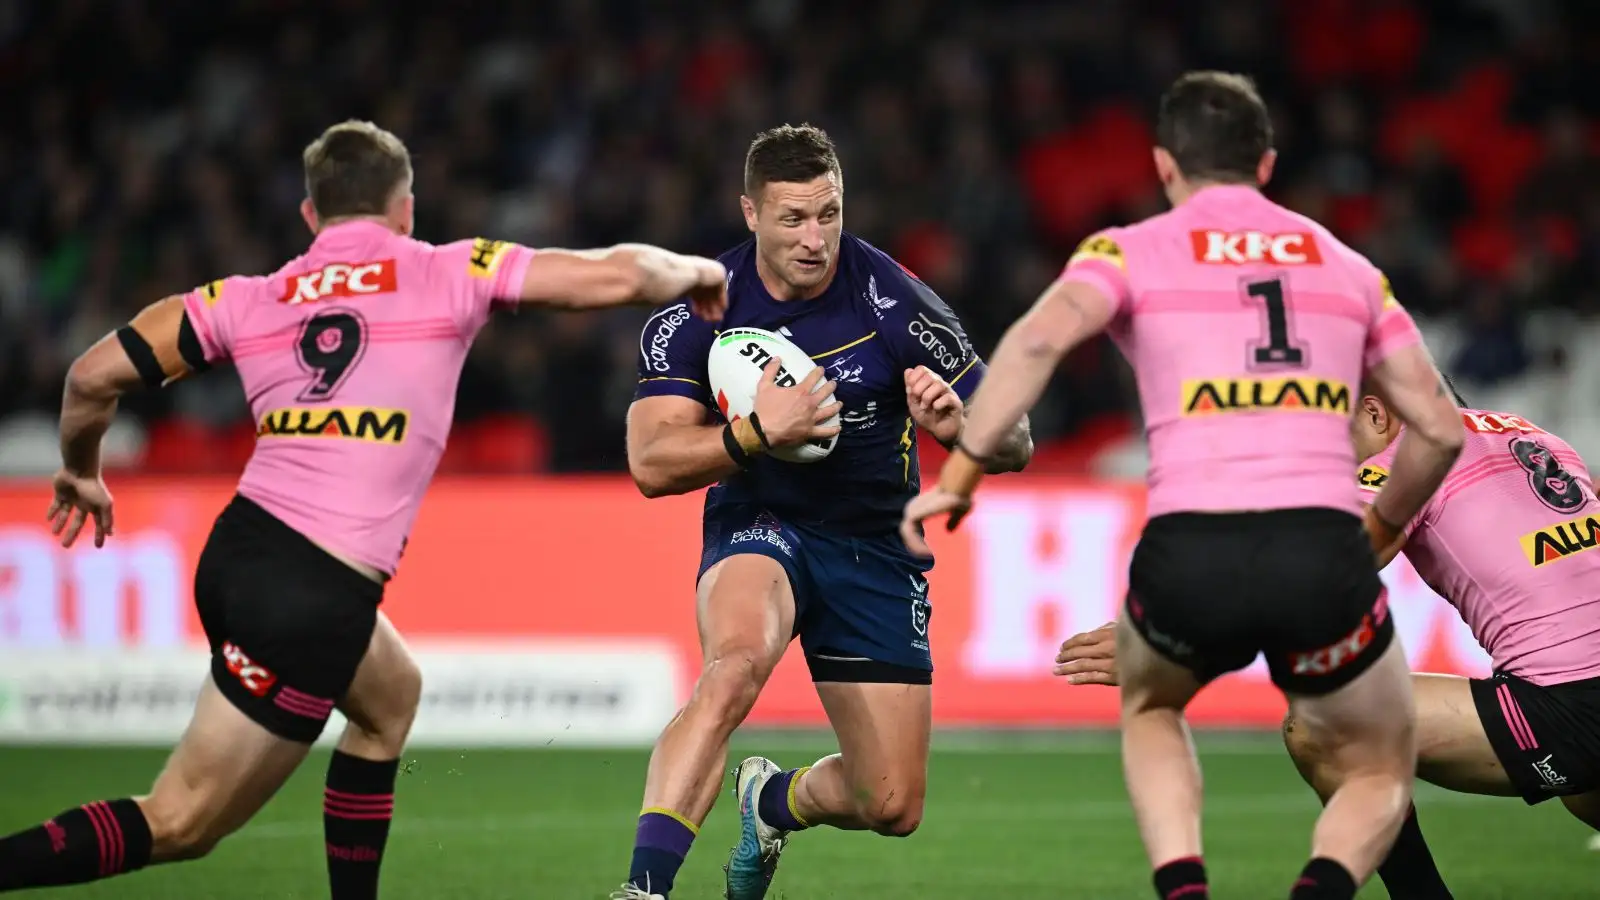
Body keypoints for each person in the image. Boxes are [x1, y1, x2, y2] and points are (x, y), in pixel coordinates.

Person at [0, 120, 728, 898]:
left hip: (241, 551)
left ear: (312, 218)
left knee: (390, 697)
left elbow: (90, 376)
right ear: (406, 209)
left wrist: (81, 471)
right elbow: (615, 274)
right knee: (180, 821)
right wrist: (699, 271)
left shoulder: (247, 298)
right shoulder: (452, 271)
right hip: (313, 593)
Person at [901, 71, 1465, 900]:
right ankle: (1321, 888)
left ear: (1166, 165)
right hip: (1321, 547)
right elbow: (1443, 429)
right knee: (1380, 765)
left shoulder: (1123, 251)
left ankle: (1183, 885)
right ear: (1267, 164)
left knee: (1154, 708)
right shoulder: (1348, 267)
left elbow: (1034, 344)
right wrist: (1378, 522)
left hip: (1187, 548)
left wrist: (960, 471)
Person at [617, 123, 1032, 900]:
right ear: (750, 213)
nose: (815, 239)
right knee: (734, 669)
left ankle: (770, 799)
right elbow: (649, 463)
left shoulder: (895, 300)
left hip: (874, 544)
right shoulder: (698, 311)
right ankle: (644, 889)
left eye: (829, 214)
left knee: (892, 804)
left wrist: (963, 431)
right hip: (760, 520)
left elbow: (1017, 439)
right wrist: (754, 434)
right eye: (793, 219)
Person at [1056, 380, 1600, 900]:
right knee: (1585, 796)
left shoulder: (1410, 459)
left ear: (1374, 413)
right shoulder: (1531, 435)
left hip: (1570, 704)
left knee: (1321, 722)